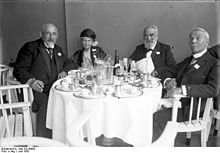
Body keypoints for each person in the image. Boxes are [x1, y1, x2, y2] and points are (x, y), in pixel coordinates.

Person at [153, 27, 220, 142]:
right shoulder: (188, 60)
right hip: (177, 103)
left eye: (198, 38)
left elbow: (213, 89)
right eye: (191, 38)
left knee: (156, 118)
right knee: (148, 110)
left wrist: (183, 89)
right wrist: (167, 80)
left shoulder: (214, 64)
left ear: (207, 42)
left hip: (192, 109)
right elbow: (172, 70)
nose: (193, 41)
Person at [13, 23, 77, 138]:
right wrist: (31, 81)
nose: (51, 37)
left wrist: (64, 71)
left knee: (70, 101)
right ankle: (45, 140)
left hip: (55, 88)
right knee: (47, 104)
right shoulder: (31, 47)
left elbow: (69, 63)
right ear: (41, 34)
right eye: (48, 33)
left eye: (54, 34)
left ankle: (64, 136)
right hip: (38, 90)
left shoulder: (58, 49)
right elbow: (19, 69)